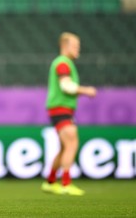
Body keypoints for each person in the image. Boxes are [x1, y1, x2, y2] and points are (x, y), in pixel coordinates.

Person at [42, 32, 97, 196]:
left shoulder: (63, 63)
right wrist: (86, 90)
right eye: (75, 46)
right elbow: (66, 86)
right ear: (64, 46)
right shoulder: (63, 63)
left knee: (65, 146)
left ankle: (50, 182)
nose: (78, 49)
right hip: (61, 109)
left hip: (59, 109)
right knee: (72, 144)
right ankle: (66, 183)